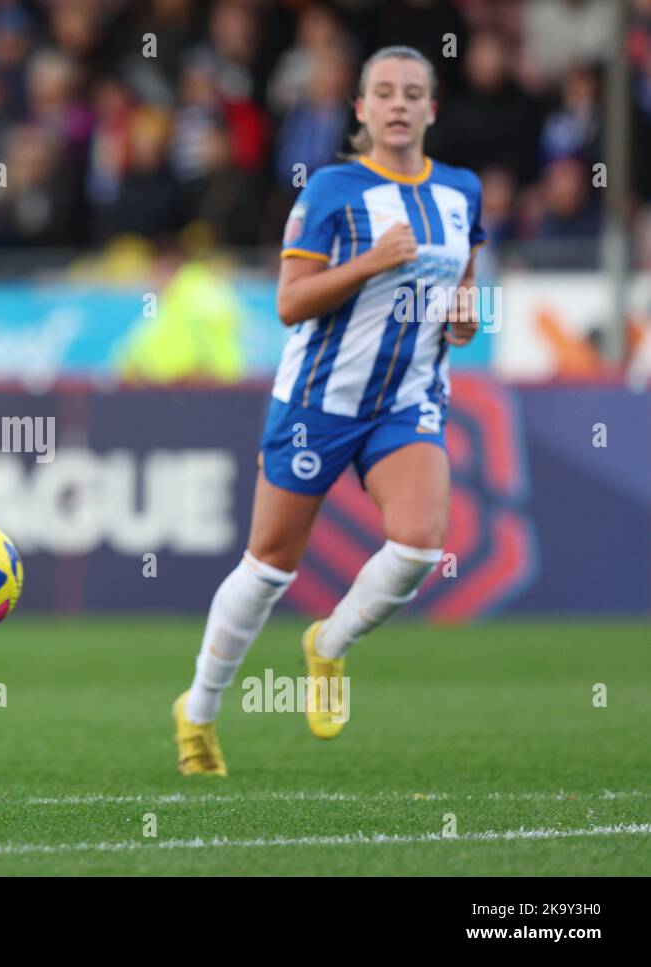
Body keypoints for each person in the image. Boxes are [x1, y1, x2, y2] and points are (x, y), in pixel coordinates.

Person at [173, 46, 484, 775]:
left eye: (414, 92)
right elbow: (290, 303)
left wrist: (468, 314)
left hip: (407, 399)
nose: (400, 103)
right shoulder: (332, 191)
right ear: (362, 110)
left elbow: (467, 278)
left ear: (432, 108)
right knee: (270, 565)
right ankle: (200, 708)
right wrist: (372, 261)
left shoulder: (461, 190)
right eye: (384, 92)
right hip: (318, 400)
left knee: (417, 543)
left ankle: (329, 643)